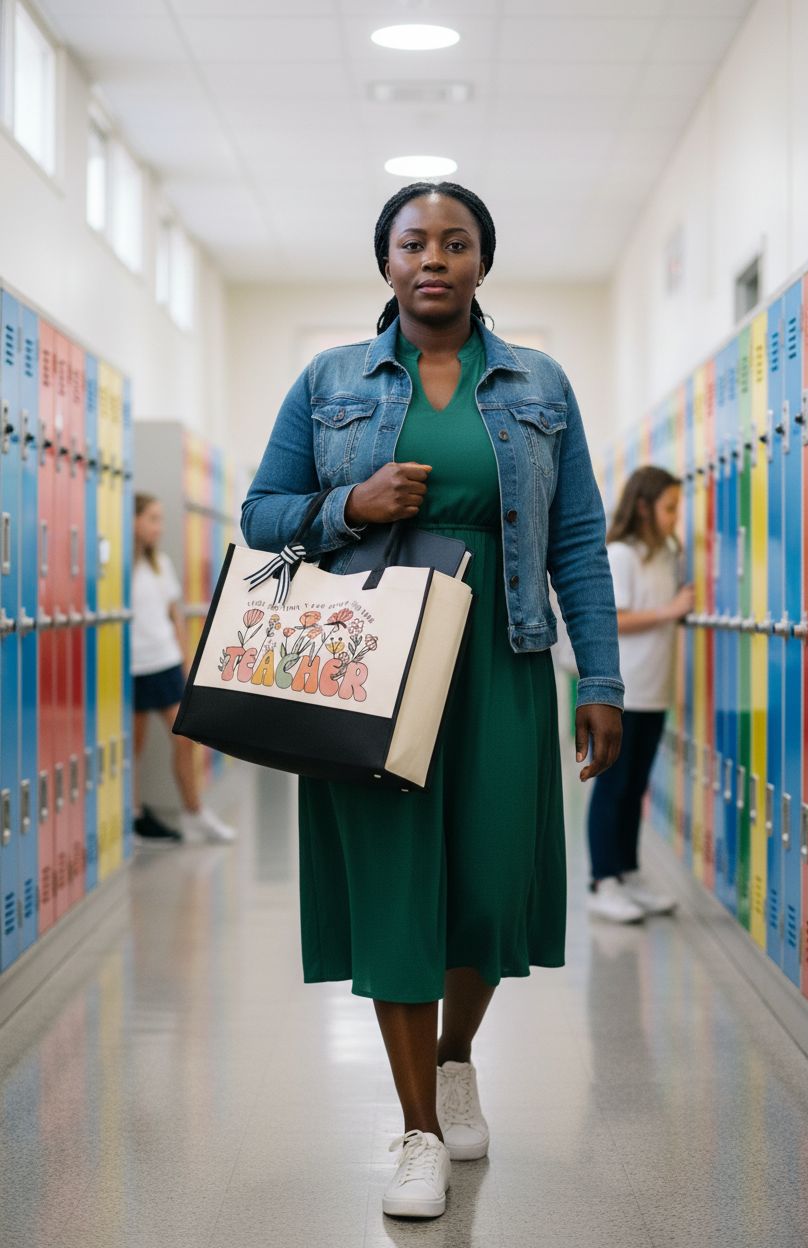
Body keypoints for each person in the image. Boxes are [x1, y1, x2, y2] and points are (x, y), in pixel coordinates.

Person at [241, 182, 624, 1220]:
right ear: (387, 262)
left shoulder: (537, 383)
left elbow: (579, 541)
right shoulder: (329, 380)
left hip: (499, 657)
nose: (434, 259)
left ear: (481, 262)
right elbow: (261, 515)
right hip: (374, 666)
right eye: (414, 242)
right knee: (399, 886)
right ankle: (414, 1128)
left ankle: (456, 1060)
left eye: (455, 242)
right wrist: (346, 504)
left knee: (490, 885)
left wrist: (600, 679)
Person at [586, 465, 694, 924]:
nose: (675, 517)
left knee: (634, 789)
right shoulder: (622, 555)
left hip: (654, 693)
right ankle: (602, 881)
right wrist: (670, 610)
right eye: (670, 507)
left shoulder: (664, 556)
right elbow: (614, 619)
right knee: (611, 788)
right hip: (622, 695)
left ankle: (628, 873)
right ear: (646, 507)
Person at [132, 493, 235, 845]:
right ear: (132, 522)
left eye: (159, 519)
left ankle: (194, 812)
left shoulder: (159, 563)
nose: (158, 527)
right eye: (152, 519)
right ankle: (136, 818)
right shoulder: (119, 569)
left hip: (164, 663)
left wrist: (186, 662)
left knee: (185, 736)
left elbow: (174, 616)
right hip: (133, 669)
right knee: (133, 747)